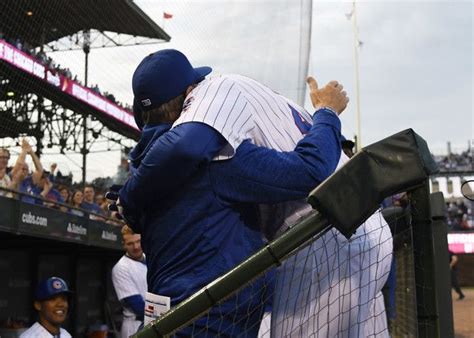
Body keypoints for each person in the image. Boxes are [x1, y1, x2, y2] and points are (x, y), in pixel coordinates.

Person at [118, 49, 392, 336]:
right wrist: (327, 115)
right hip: (208, 320)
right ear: (189, 95)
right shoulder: (217, 159)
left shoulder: (140, 171)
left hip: (169, 315)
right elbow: (309, 170)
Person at [112, 225, 147, 338]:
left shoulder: (150, 257)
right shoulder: (121, 268)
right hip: (135, 326)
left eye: (138, 241)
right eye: (130, 243)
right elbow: (138, 306)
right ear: (123, 244)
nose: (136, 247)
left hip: (154, 321)